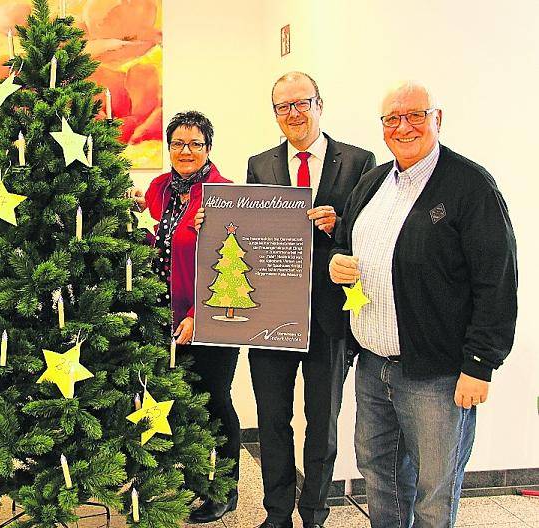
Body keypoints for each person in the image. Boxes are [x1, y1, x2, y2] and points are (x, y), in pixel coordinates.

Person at [330, 81, 517, 527]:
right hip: (374, 366)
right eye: (392, 119)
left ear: (438, 119)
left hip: (438, 375)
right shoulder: (373, 181)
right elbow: (346, 240)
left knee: (434, 491)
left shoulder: (471, 186)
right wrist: (337, 258)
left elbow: (497, 280)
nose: (404, 127)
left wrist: (480, 364)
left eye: (416, 115)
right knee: (380, 476)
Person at [198, 72, 375, 528]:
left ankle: (314, 513)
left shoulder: (359, 161)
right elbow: (250, 231)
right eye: (283, 107)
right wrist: (211, 223)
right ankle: (277, 513)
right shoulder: (261, 164)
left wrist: (340, 224)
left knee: (323, 423)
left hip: (329, 318)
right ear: (275, 114)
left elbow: (372, 233)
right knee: (272, 420)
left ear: (319, 104)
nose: (293, 113)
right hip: (271, 317)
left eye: (301, 103)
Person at [129, 111, 240, 523]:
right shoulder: (161, 189)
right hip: (166, 316)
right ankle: (195, 482)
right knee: (183, 403)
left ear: (209, 148)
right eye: (178, 143)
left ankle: (224, 490)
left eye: (195, 143)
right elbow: (157, 241)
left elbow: (226, 269)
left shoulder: (224, 194)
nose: (186, 151)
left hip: (210, 318)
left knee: (214, 401)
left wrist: (198, 316)